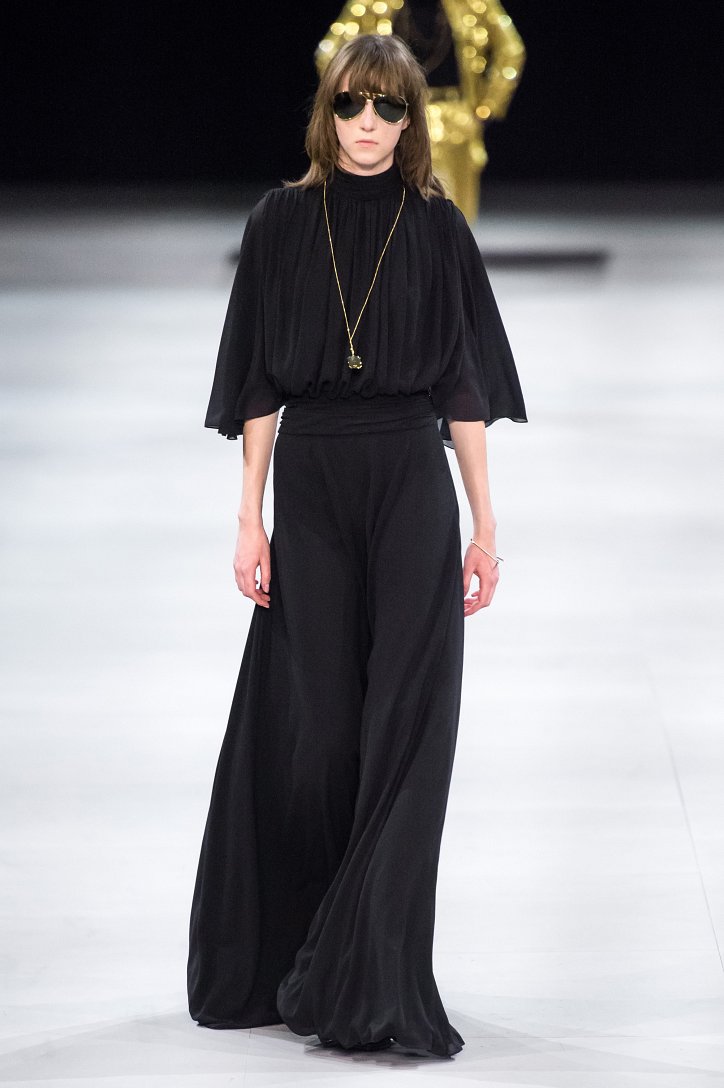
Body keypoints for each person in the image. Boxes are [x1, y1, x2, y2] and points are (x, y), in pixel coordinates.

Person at [187, 32, 527, 1061]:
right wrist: (249, 516)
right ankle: (323, 943)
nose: (367, 125)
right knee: (324, 734)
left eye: (387, 108)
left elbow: (463, 385)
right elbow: (256, 383)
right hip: (315, 486)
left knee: (407, 730)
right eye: (351, 106)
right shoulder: (280, 222)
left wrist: (484, 521)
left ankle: (375, 970)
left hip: (411, 483)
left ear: (410, 120)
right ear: (325, 113)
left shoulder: (436, 226)